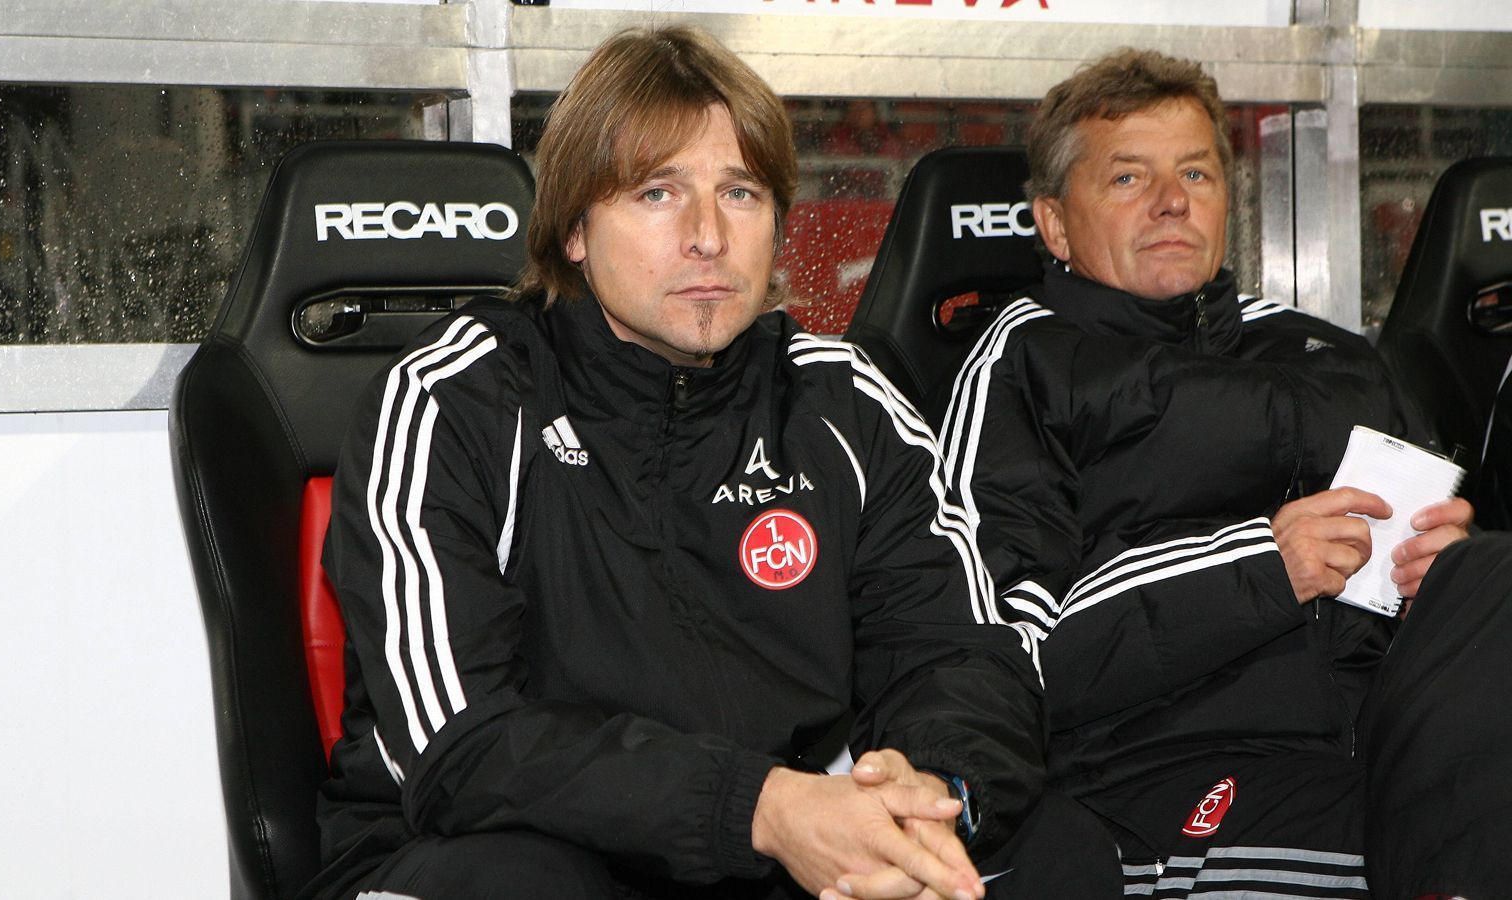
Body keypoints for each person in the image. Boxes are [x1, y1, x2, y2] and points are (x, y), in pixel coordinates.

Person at [301, 26, 1113, 900]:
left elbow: (958, 654)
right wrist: (757, 807)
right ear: (574, 229)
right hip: (495, 847)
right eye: (657, 193)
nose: (706, 237)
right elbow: (461, 747)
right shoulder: (455, 397)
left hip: (770, 841)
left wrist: (933, 794)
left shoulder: (841, 401)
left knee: (1053, 852)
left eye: (741, 193)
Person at [936, 47, 1512, 899]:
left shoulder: (1338, 355)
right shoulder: (1025, 366)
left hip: (1380, 735)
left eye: (1198, 175)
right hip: (1162, 771)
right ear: (1054, 225)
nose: (1174, 201)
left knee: (1492, 575)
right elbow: (1002, 656)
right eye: (1129, 178)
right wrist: (1262, 567)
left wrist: (1443, 565)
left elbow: (1451, 562)